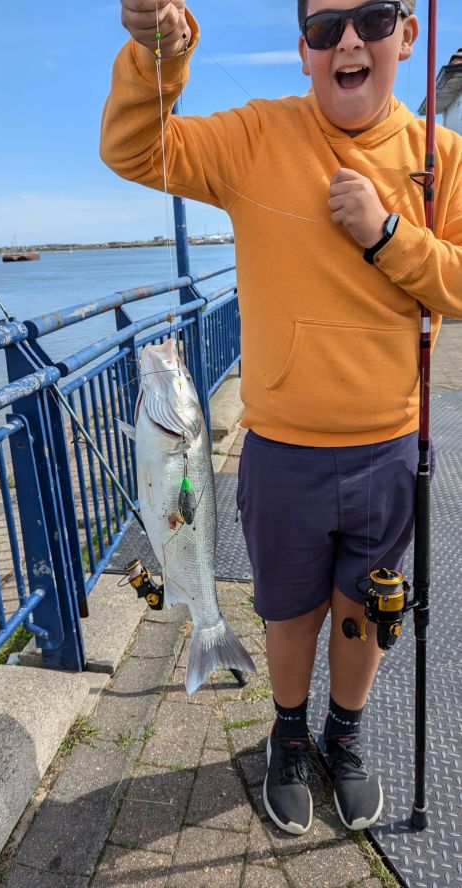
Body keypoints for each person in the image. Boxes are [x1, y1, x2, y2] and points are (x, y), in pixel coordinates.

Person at [100, 0, 462, 835]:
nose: (348, 41)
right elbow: (133, 148)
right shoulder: (256, 136)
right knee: (289, 611)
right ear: (302, 50)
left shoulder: (439, 157)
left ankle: (347, 734)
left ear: (407, 34)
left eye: (371, 18)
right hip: (282, 452)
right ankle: (290, 735)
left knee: (367, 608)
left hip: (392, 446)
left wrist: (390, 235)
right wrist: (159, 49)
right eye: (325, 26)